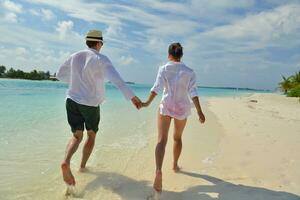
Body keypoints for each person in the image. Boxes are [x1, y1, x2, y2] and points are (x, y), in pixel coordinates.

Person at [56, 30, 142, 186]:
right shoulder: (101, 59)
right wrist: (132, 97)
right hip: (90, 104)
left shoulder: (75, 56)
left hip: (71, 100)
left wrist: (76, 81)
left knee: (76, 136)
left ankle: (66, 161)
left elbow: (60, 75)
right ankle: (82, 167)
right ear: (98, 43)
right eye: (101, 43)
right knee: (91, 135)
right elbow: (117, 80)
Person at [142, 42, 206, 193]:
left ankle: (158, 170)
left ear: (169, 54)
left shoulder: (163, 69)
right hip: (182, 108)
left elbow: (156, 88)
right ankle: (175, 165)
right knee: (177, 138)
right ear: (181, 55)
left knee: (161, 140)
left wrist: (146, 103)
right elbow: (193, 92)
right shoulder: (189, 71)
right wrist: (199, 112)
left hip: (166, 106)